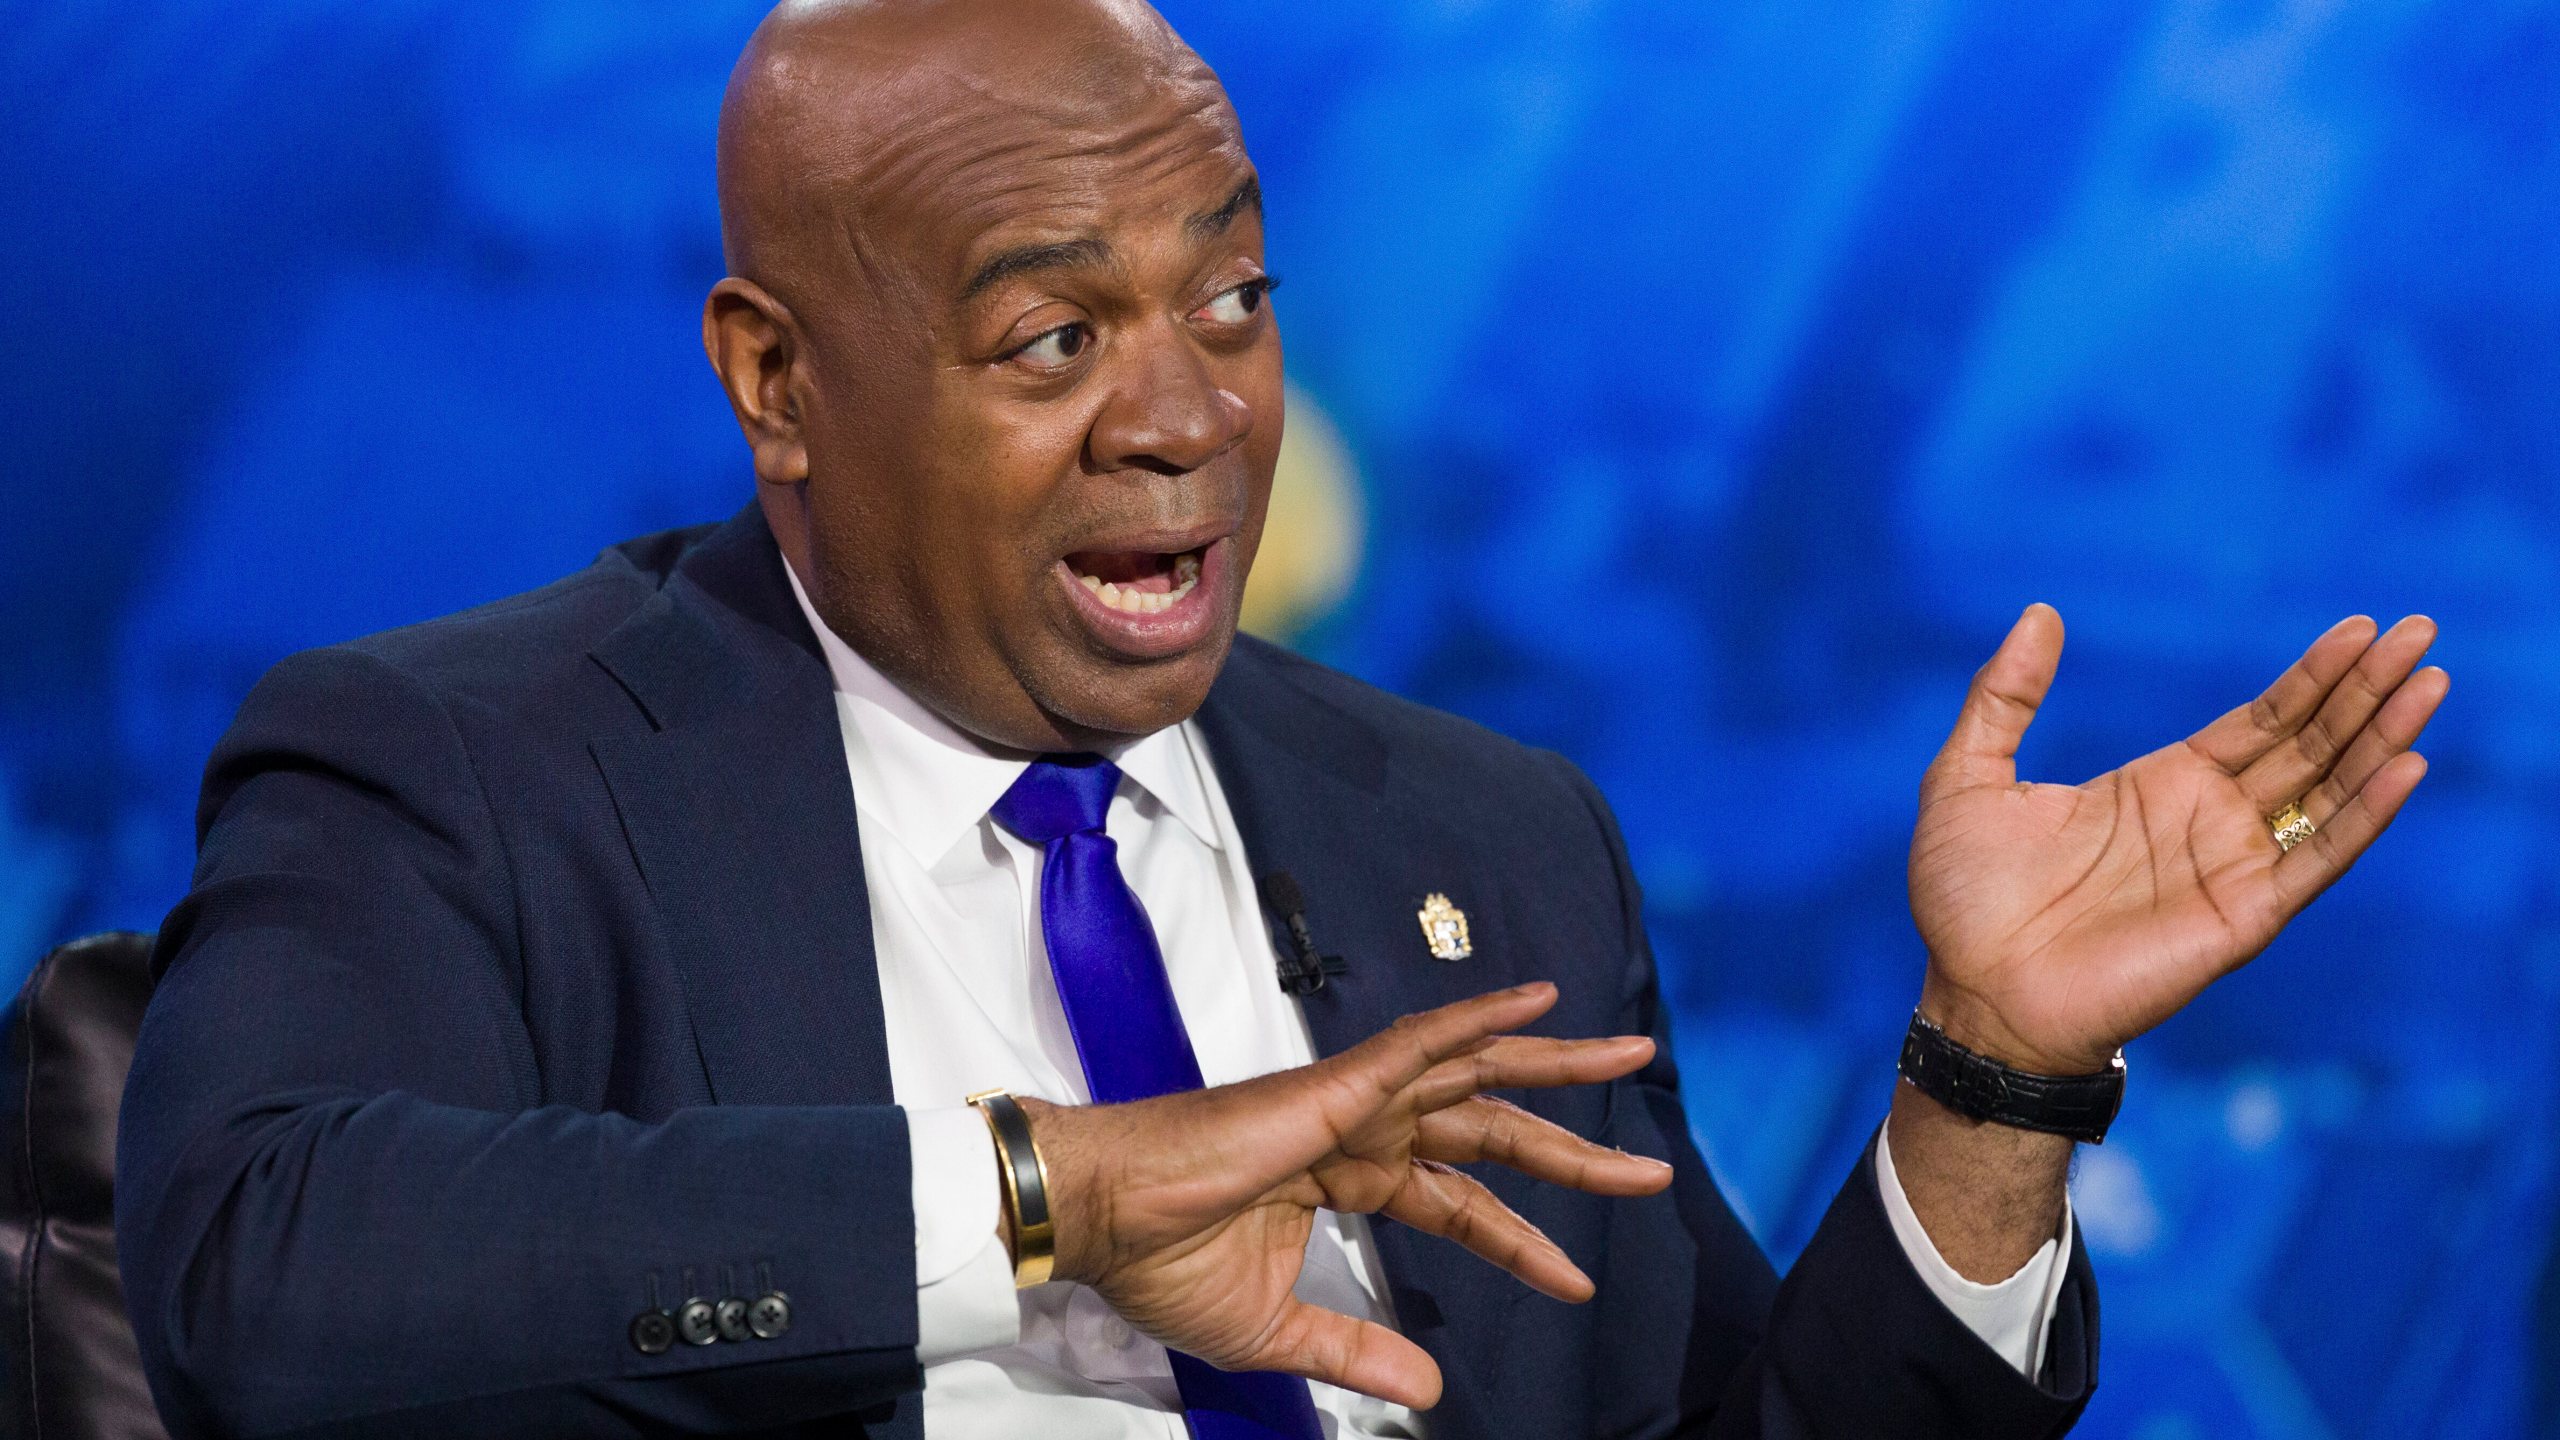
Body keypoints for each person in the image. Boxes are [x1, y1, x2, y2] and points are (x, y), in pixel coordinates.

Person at [113, 1, 2449, 1436]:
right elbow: (269, 1277)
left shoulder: (1485, 833)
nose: (1186, 419)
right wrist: (1051, 1195)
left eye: (1228, 301)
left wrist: (1986, 1081)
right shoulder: (469, 771)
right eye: (1053, 341)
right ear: (777, 379)